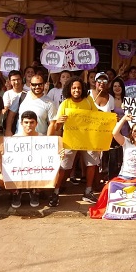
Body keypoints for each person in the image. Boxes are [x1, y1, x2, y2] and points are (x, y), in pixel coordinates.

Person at [50, 77, 100, 205]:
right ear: (69, 89)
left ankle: (88, 192)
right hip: (70, 140)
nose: (76, 90)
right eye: (73, 88)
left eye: (78, 87)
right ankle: (55, 192)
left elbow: (97, 117)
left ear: (82, 88)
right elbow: (56, 127)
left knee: (91, 164)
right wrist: (59, 122)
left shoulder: (88, 100)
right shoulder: (65, 103)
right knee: (63, 166)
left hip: (88, 139)